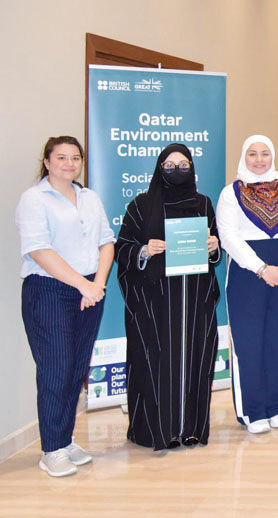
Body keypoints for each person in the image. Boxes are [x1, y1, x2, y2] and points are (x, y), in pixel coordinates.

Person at [16, 136, 114, 476]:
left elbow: (106, 241)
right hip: (49, 291)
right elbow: (39, 250)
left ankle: (65, 438)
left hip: (89, 291)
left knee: (75, 370)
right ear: (47, 161)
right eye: (61, 157)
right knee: (56, 370)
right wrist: (83, 284)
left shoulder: (89, 197)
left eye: (75, 158)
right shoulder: (34, 199)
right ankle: (51, 449)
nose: (69, 163)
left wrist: (97, 285)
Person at [115, 143, 222, 450]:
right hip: (155, 305)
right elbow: (122, 248)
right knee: (154, 363)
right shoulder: (141, 205)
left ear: (192, 168)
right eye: (170, 165)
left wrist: (214, 247)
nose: (177, 171)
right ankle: (157, 431)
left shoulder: (203, 204)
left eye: (183, 164)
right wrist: (144, 250)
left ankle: (191, 428)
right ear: (159, 169)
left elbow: (214, 249)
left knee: (195, 363)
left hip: (194, 304)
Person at [217, 135, 278, 434]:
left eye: (265, 153)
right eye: (252, 154)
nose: (259, 159)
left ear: (273, 156)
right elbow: (228, 236)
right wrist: (261, 268)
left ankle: (277, 406)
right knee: (249, 342)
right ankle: (252, 411)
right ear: (244, 157)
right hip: (247, 274)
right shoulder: (231, 193)